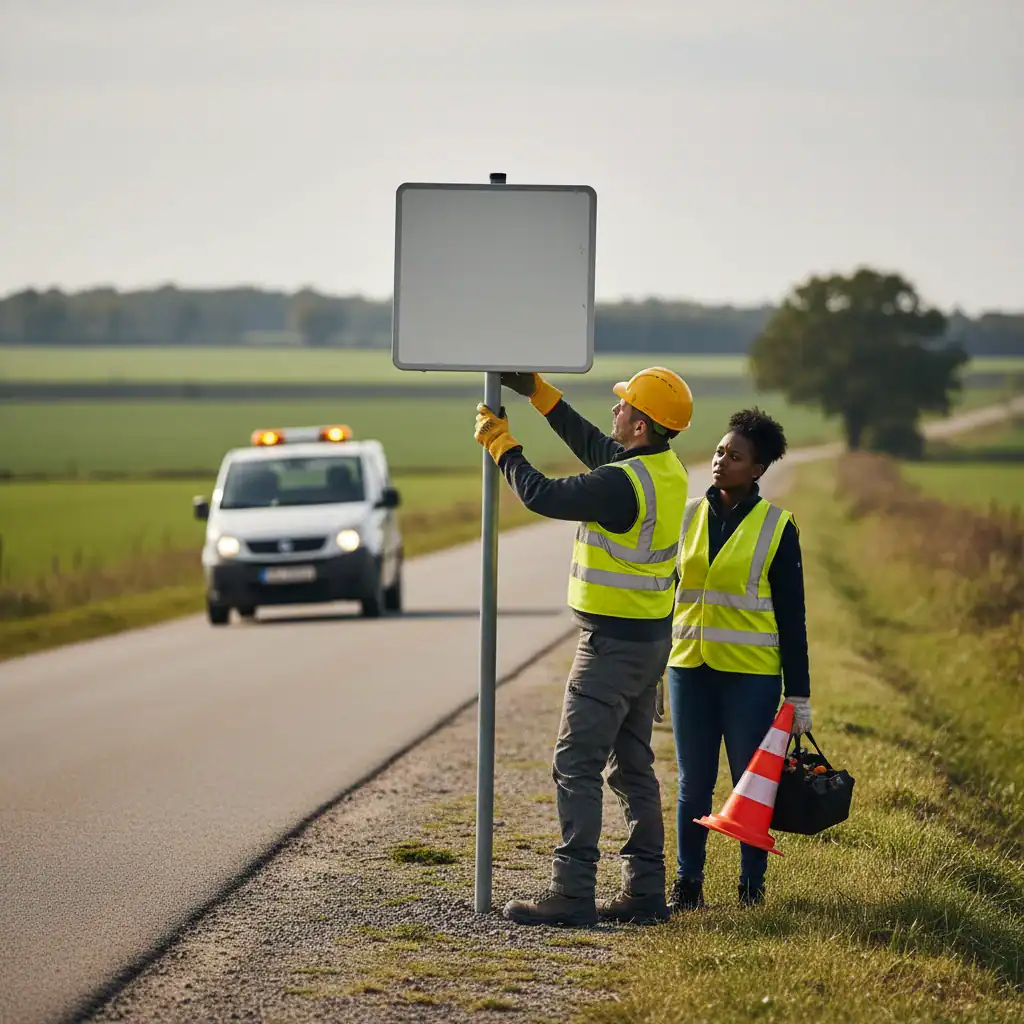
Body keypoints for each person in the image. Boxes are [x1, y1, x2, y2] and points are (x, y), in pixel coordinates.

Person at [473, 367, 692, 927]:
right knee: (633, 768)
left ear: (640, 424)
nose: (614, 411)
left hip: (612, 648)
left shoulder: (621, 484)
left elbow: (543, 495)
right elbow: (595, 443)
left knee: (577, 764)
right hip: (647, 643)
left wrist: (503, 444)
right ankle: (645, 894)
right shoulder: (661, 470)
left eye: (622, 406)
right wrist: (540, 393)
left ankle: (572, 895)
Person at [665, 407, 812, 911]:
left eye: (735, 456)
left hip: (750, 679)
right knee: (693, 783)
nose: (720, 461)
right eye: (719, 451)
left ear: (757, 469)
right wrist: (650, 672)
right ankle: (688, 885)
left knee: (752, 786)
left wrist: (799, 695)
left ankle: (751, 889)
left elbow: (794, 617)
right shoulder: (685, 515)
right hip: (689, 669)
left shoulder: (778, 527)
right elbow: (666, 596)